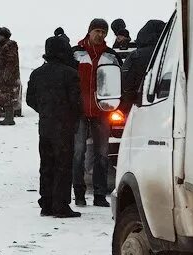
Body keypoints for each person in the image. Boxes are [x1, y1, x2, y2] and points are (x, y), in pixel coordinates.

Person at [26, 35, 82, 218]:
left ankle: (46, 204)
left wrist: (44, 110)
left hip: (45, 125)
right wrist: (72, 117)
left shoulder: (36, 74)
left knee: (47, 165)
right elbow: (76, 103)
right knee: (63, 166)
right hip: (64, 126)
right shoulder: (70, 74)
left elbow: (30, 100)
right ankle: (61, 205)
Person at [72, 18, 121, 207]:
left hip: (103, 111)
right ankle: (79, 193)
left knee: (102, 154)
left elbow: (118, 81)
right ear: (89, 32)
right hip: (80, 111)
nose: (100, 35)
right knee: (79, 153)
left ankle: (100, 195)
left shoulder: (110, 56)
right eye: (97, 31)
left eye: (104, 32)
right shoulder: (75, 54)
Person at [121, 19, 167, 112]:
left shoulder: (135, 56)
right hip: (166, 105)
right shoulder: (169, 53)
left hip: (140, 105)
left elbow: (126, 82)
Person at [0, 26, 20, 126]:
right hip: (4, 77)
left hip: (7, 78)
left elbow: (11, 62)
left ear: (3, 36)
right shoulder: (3, 46)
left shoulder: (8, 46)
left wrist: (6, 76)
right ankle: (8, 117)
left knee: (7, 96)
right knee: (5, 96)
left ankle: (9, 119)